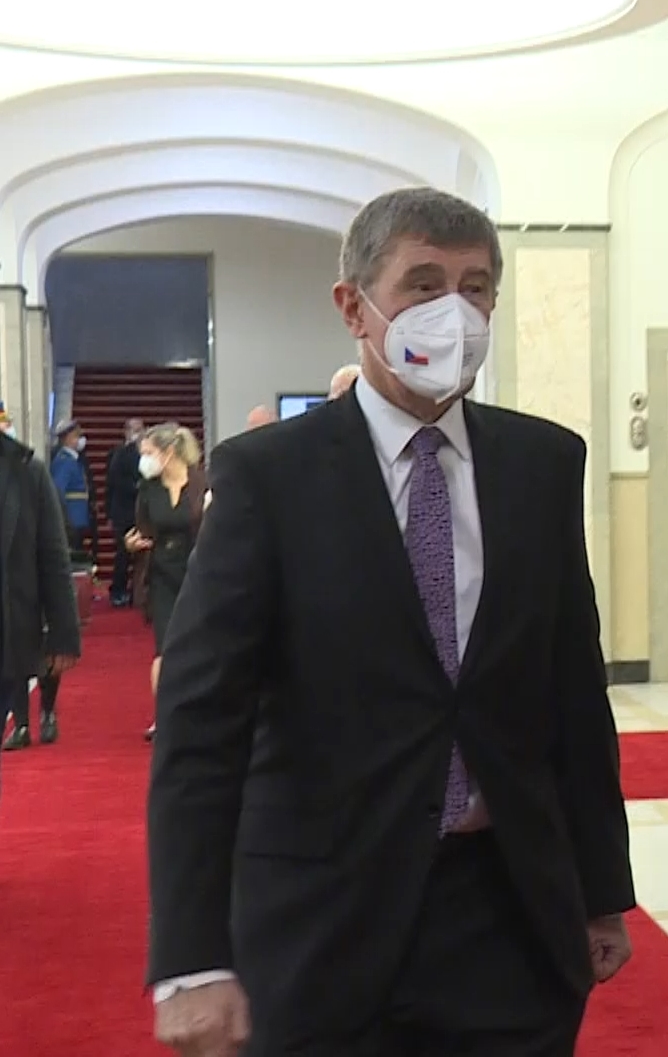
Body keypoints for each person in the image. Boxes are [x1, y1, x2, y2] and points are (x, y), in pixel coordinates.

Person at [147, 186, 635, 1057]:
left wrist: (602, 891)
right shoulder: (268, 477)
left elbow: (572, 690)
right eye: (424, 284)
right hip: (321, 917)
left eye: (476, 287)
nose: (455, 312)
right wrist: (190, 958)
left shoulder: (542, 464)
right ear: (353, 307)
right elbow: (201, 723)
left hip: (507, 918)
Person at [0, 422, 81, 767]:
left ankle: (34, 718)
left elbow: (53, 556)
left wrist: (64, 634)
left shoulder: (27, 472)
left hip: (16, 614)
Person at [125, 424, 207, 743]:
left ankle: (199, 714)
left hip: (198, 574)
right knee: (165, 649)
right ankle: (164, 718)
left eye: (148, 453)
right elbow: (141, 530)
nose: (144, 460)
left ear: (168, 452)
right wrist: (132, 545)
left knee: (199, 647)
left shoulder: (202, 483)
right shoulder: (148, 489)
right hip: (161, 575)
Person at [106, 418, 145, 607]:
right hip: (123, 510)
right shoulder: (119, 453)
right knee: (123, 553)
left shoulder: (146, 453)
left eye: (140, 429)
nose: (137, 433)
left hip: (141, 510)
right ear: (126, 431)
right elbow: (113, 483)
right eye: (133, 429)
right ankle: (118, 590)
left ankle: (137, 590)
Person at [49, 420, 90, 555]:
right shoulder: (64, 462)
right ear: (68, 438)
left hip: (76, 518)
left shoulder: (72, 460)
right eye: (77, 436)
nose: (80, 440)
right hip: (71, 519)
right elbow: (58, 491)